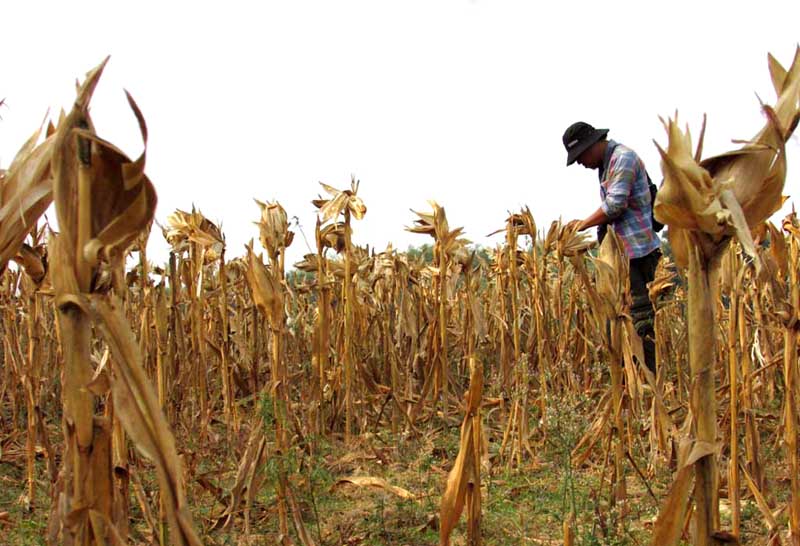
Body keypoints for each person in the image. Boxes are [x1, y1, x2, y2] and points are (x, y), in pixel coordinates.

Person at [562, 121, 661, 374]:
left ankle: (649, 379)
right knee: (621, 317)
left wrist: (581, 226)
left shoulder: (622, 159)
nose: (581, 163)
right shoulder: (605, 165)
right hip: (623, 256)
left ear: (593, 144)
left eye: (581, 156)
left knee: (641, 319)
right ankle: (631, 377)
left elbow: (615, 206)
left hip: (638, 254)